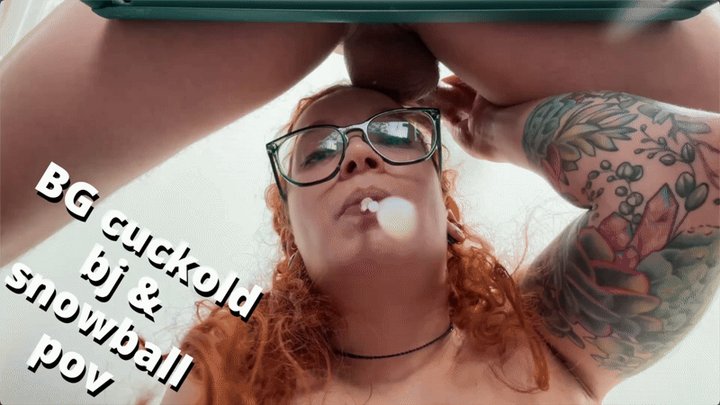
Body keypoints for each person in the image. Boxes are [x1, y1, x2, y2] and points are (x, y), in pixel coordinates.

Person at [1, 1, 718, 404]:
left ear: (446, 209)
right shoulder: (222, 383)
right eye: (317, 153)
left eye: (397, 136)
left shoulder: (549, 345)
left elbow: (696, 172)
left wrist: (493, 129)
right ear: (292, 233)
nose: (357, 154)